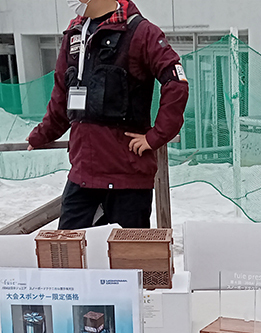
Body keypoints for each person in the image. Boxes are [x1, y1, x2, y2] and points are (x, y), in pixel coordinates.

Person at [27, 0, 188, 229]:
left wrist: (156, 136)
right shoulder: (74, 34)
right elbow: (62, 94)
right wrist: (42, 134)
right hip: (82, 174)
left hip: (128, 178)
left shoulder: (141, 31)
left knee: (127, 251)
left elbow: (176, 82)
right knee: (69, 248)